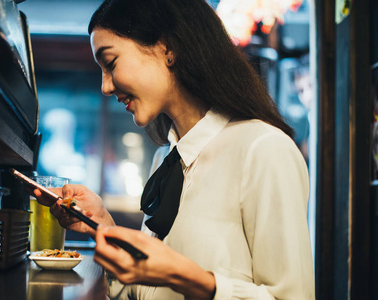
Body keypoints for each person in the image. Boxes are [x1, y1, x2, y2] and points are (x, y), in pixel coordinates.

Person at [32, 0, 315, 299]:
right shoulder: (166, 159)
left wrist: (188, 278)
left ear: (167, 48)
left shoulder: (263, 149)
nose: (105, 87)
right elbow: (146, 290)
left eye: (111, 63)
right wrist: (102, 226)